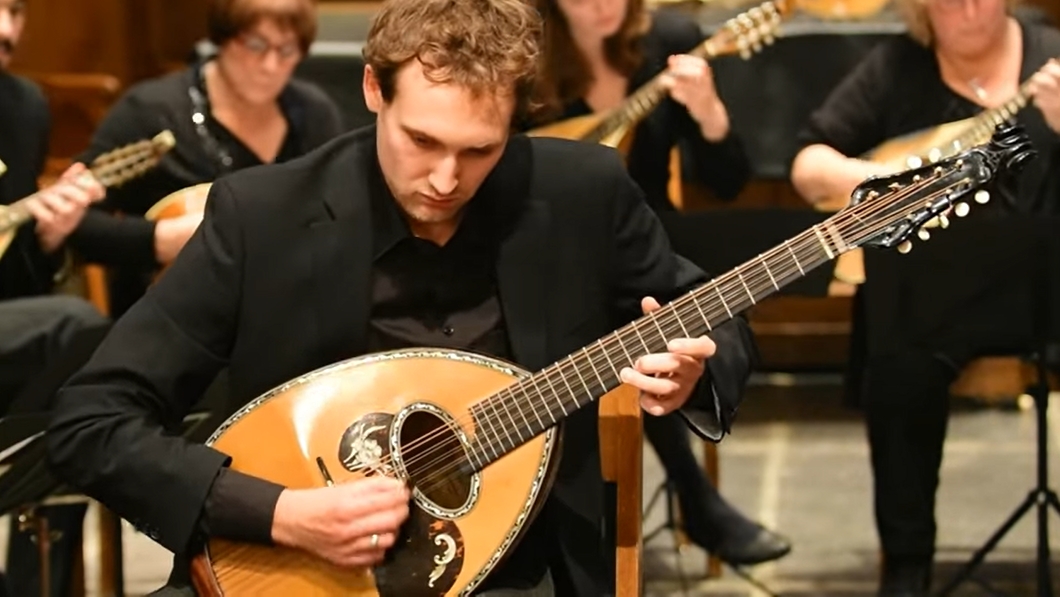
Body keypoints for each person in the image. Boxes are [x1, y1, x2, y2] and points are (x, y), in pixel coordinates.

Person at [45, 0, 758, 595]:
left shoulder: (581, 193)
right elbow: (92, 421)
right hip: (294, 563)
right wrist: (282, 511)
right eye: (421, 140)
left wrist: (696, 369)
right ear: (373, 90)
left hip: (516, 564)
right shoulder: (262, 217)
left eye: (481, 149)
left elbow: (711, 311)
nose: (446, 178)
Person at [790, 0, 1060, 594]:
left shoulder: (1052, 58)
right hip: (940, 303)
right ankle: (907, 566)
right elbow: (810, 164)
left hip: (1051, 290)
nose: (966, 10)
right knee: (899, 367)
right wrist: (887, 181)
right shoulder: (896, 67)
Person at [526, 0, 789, 565]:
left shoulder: (667, 44)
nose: (601, 6)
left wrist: (708, 110)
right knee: (625, 326)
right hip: (557, 260)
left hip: (653, 252)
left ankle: (693, 502)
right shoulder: (527, 57)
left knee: (649, 324)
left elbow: (727, 181)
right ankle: (691, 506)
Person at [67, 0, 345, 318]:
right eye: (256, 45)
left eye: (287, 50)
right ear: (223, 39)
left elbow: (340, 219)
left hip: (285, 310)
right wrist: (164, 240)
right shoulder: (149, 111)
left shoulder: (313, 113)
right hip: (166, 314)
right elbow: (80, 226)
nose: (270, 65)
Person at [0, 1, 110, 594]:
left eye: (15, 9)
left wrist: (45, 239)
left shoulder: (21, 107)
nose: (6, 28)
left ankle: (33, 576)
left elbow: (21, 287)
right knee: (77, 329)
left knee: (84, 360)